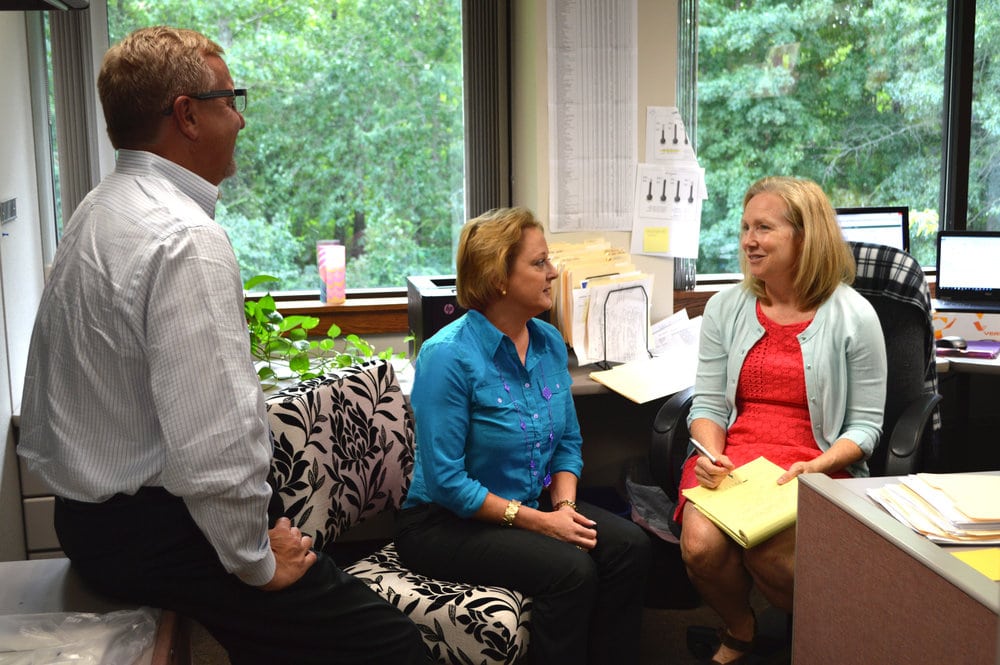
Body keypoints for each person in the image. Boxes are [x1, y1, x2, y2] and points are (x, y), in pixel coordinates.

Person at [17, 26, 427, 665]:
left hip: (86, 522)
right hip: (157, 532)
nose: (239, 119)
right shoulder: (185, 238)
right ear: (186, 114)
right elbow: (213, 445)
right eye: (229, 100)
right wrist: (257, 563)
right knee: (395, 649)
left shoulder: (97, 211)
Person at [394, 207, 652, 665]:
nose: (554, 272)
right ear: (499, 279)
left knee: (630, 547)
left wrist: (565, 509)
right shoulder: (447, 357)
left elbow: (569, 444)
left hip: (531, 500)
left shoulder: (549, 340)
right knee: (571, 571)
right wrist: (544, 524)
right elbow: (448, 484)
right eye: (539, 263)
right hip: (444, 523)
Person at [676, 176, 887, 665]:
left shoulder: (855, 316)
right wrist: (709, 454)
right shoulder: (724, 307)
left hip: (813, 464)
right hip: (736, 460)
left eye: (764, 228)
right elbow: (707, 405)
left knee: (768, 556)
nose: (749, 240)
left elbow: (867, 428)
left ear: (804, 236)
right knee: (700, 548)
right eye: (745, 227)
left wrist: (818, 467)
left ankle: (826, 638)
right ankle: (741, 627)